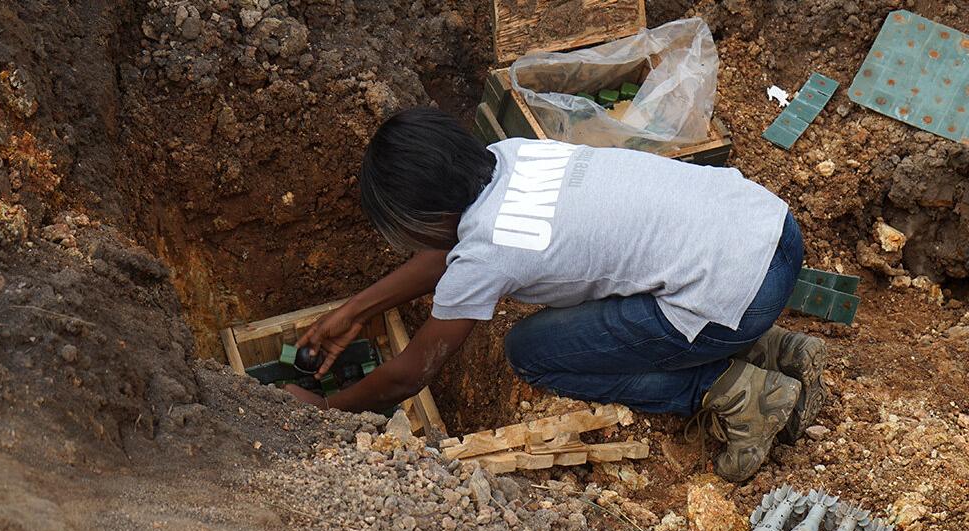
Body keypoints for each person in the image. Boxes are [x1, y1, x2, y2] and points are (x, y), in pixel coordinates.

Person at [288, 107, 826, 482]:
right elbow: (450, 246)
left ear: (429, 218)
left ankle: (735, 391)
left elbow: (411, 374)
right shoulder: (509, 155)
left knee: (534, 353)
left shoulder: (485, 256)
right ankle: (773, 346)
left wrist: (330, 409)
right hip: (766, 228)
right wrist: (354, 311)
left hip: (740, 294)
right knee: (627, 285)